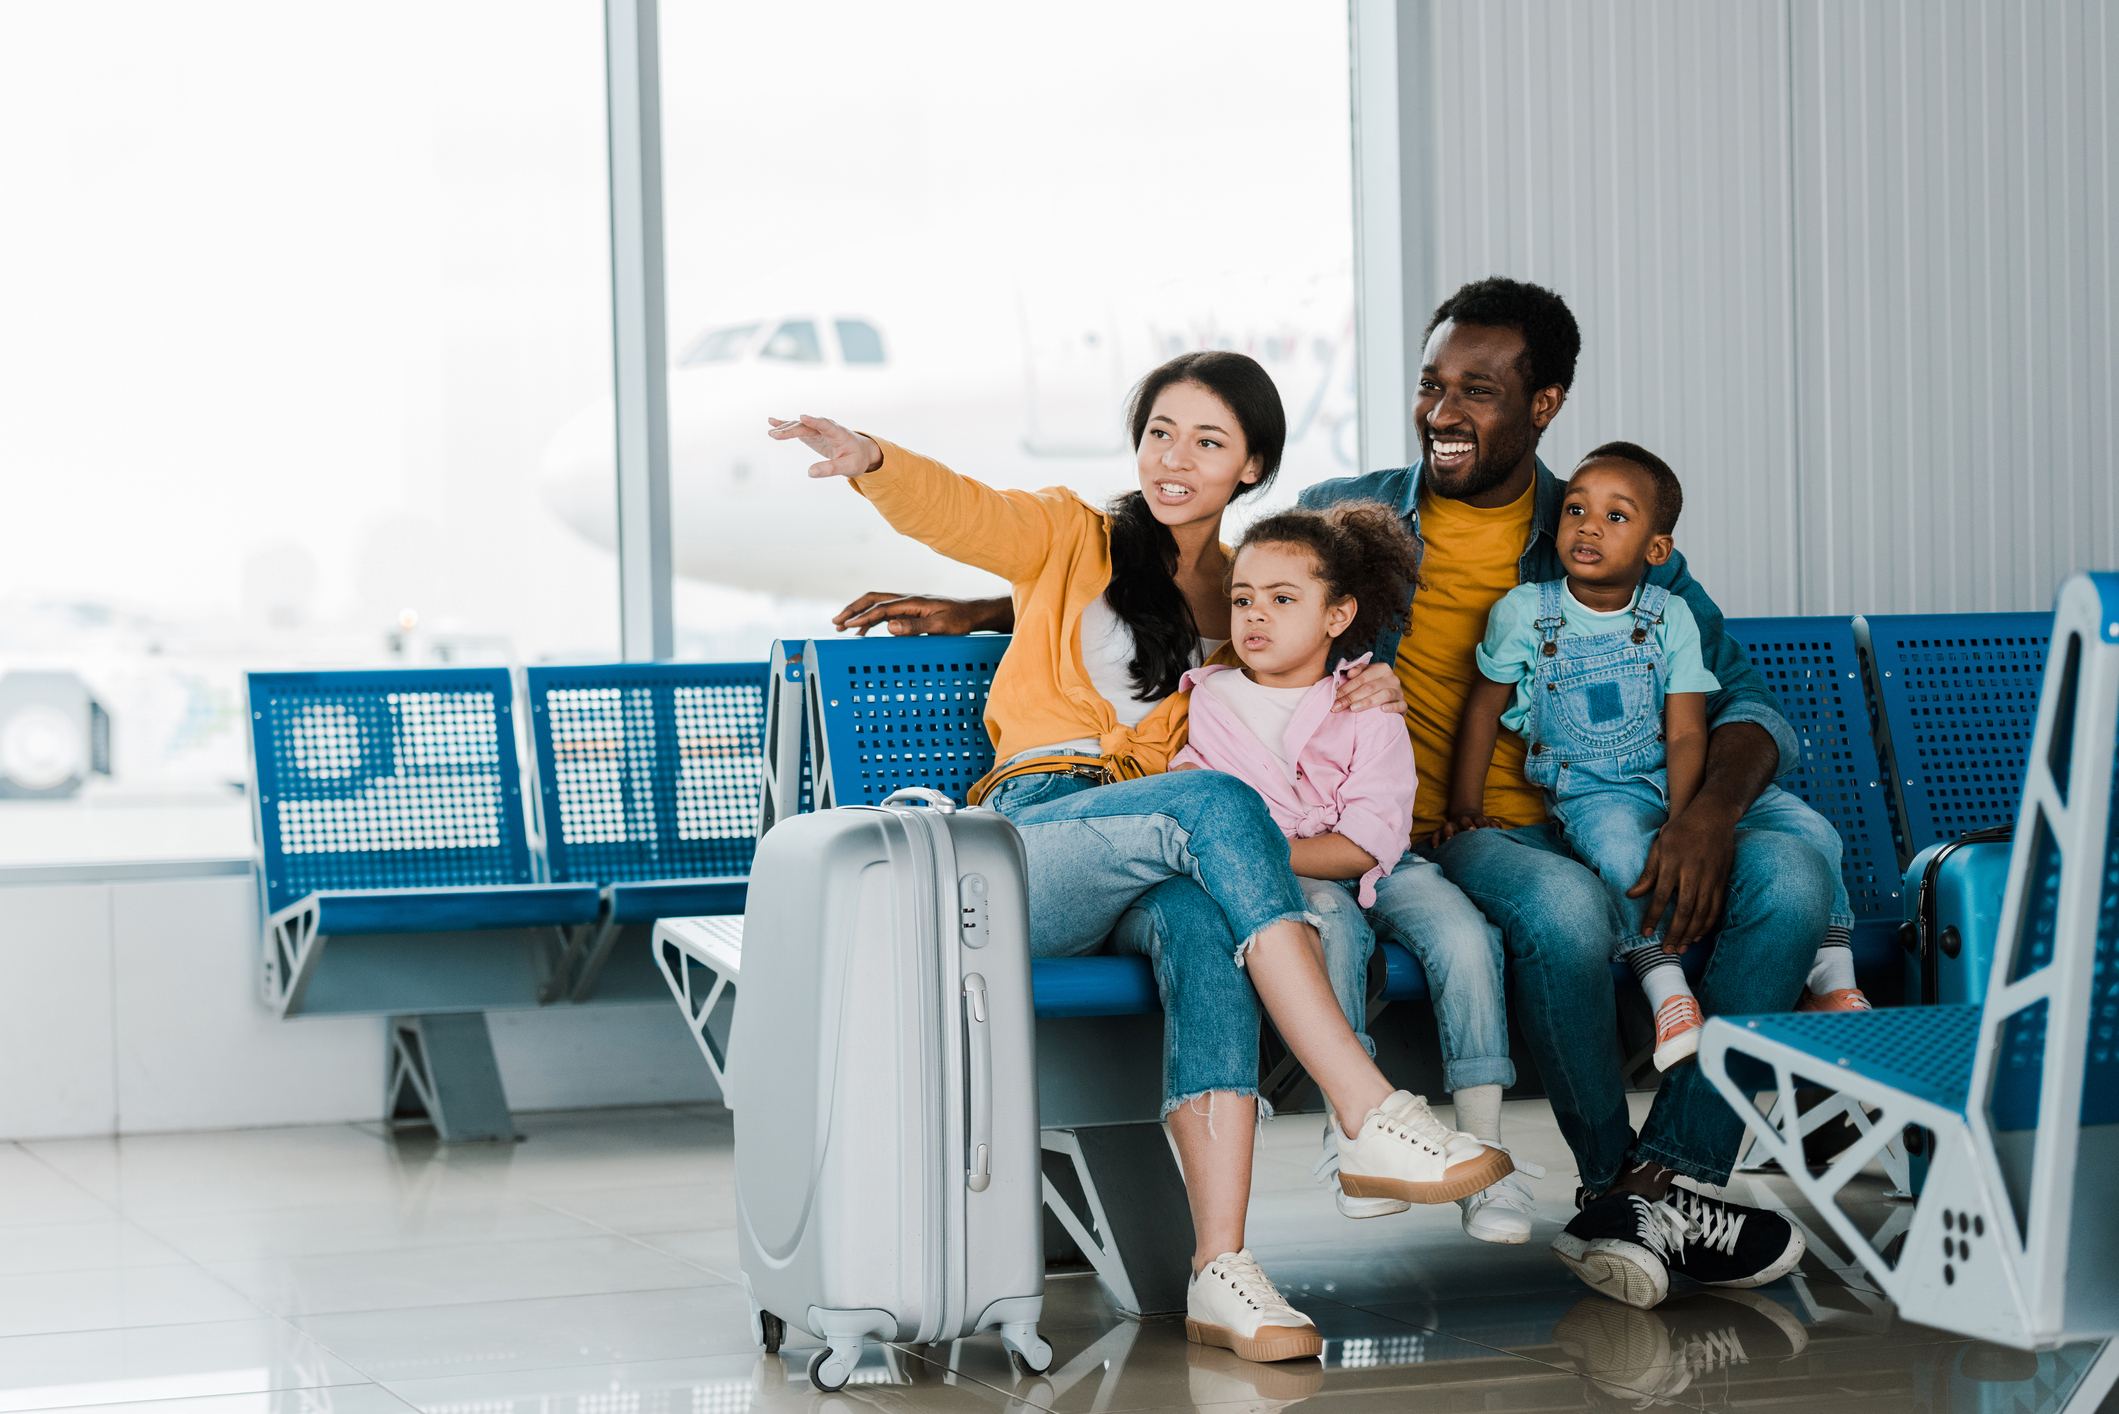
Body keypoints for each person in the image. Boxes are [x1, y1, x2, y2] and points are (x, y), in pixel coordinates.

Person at [859, 280, 1830, 1312]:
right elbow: (1211, 595)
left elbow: (1742, 695)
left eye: (1480, 392)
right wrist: (1000, 602)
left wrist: (1707, 813)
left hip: (1586, 801)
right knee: (1559, 907)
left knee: (1789, 867)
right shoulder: (1354, 514)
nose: (1445, 413)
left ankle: (1658, 1181)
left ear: (1543, 404)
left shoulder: (1595, 520)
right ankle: (1420, 1127)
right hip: (1426, 830)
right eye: (1431, 385)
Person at [766, 350, 1508, 1365]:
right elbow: (973, 514)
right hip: (1034, 840)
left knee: (1206, 929)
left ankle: (1220, 1271)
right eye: (1161, 430)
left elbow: (1293, 677)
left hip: (1155, 854)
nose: (1175, 457)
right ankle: (1365, 1103)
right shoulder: (1072, 534)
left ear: (1251, 467)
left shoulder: (1244, 594)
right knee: (1214, 801)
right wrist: (872, 460)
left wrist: (1360, 685)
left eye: (1208, 441)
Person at [1170, 504, 1543, 1245]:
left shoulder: (1366, 698)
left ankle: (1481, 1147)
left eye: (1283, 600)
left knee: (1466, 938)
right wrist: (1261, 852)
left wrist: (1258, 848)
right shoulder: (1207, 700)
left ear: (1338, 613)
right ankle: (1355, 1132)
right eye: (1242, 598)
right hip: (1299, 879)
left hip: (1378, 863)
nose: (1255, 616)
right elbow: (1206, 811)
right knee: (1329, 928)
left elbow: (1368, 839)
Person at [1444, 445, 1868, 1083]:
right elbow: (1482, 709)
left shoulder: (1669, 616)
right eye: (1577, 510)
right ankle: (1669, 995)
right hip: (1594, 789)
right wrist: (1463, 807)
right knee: (1621, 854)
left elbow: (1687, 728)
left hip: (1678, 779)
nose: (1588, 526)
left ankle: (1833, 985)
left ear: (1656, 550)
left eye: (1617, 518)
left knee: (1816, 834)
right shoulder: (1526, 612)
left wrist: (1689, 814)